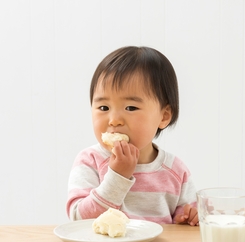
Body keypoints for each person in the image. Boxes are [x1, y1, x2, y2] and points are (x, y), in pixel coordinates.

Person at [66, 46, 198, 226]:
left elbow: (184, 223)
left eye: (131, 108)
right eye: (103, 108)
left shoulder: (175, 171)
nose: (114, 120)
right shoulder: (90, 161)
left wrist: (188, 219)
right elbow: (79, 219)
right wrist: (117, 177)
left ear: (164, 116)